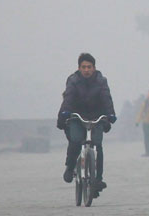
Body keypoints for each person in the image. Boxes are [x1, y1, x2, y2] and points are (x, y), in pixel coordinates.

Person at [57, 53, 116, 196]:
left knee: (98, 145)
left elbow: (106, 98)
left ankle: (97, 179)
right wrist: (64, 113)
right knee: (76, 141)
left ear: (94, 68)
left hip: (96, 117)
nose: (86, 70)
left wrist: (110, 114)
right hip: (77, 117)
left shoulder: (101, 81)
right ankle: (70, 167)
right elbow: (69, 98)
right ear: (79, 68)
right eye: (83, 67)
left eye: (89, 67)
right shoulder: (73, 80)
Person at [135, 91, 149, 156]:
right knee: (147, 139)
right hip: (146, 124)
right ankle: (148, 152)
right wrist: (137, 121)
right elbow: (140, 113)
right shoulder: (144, 104)